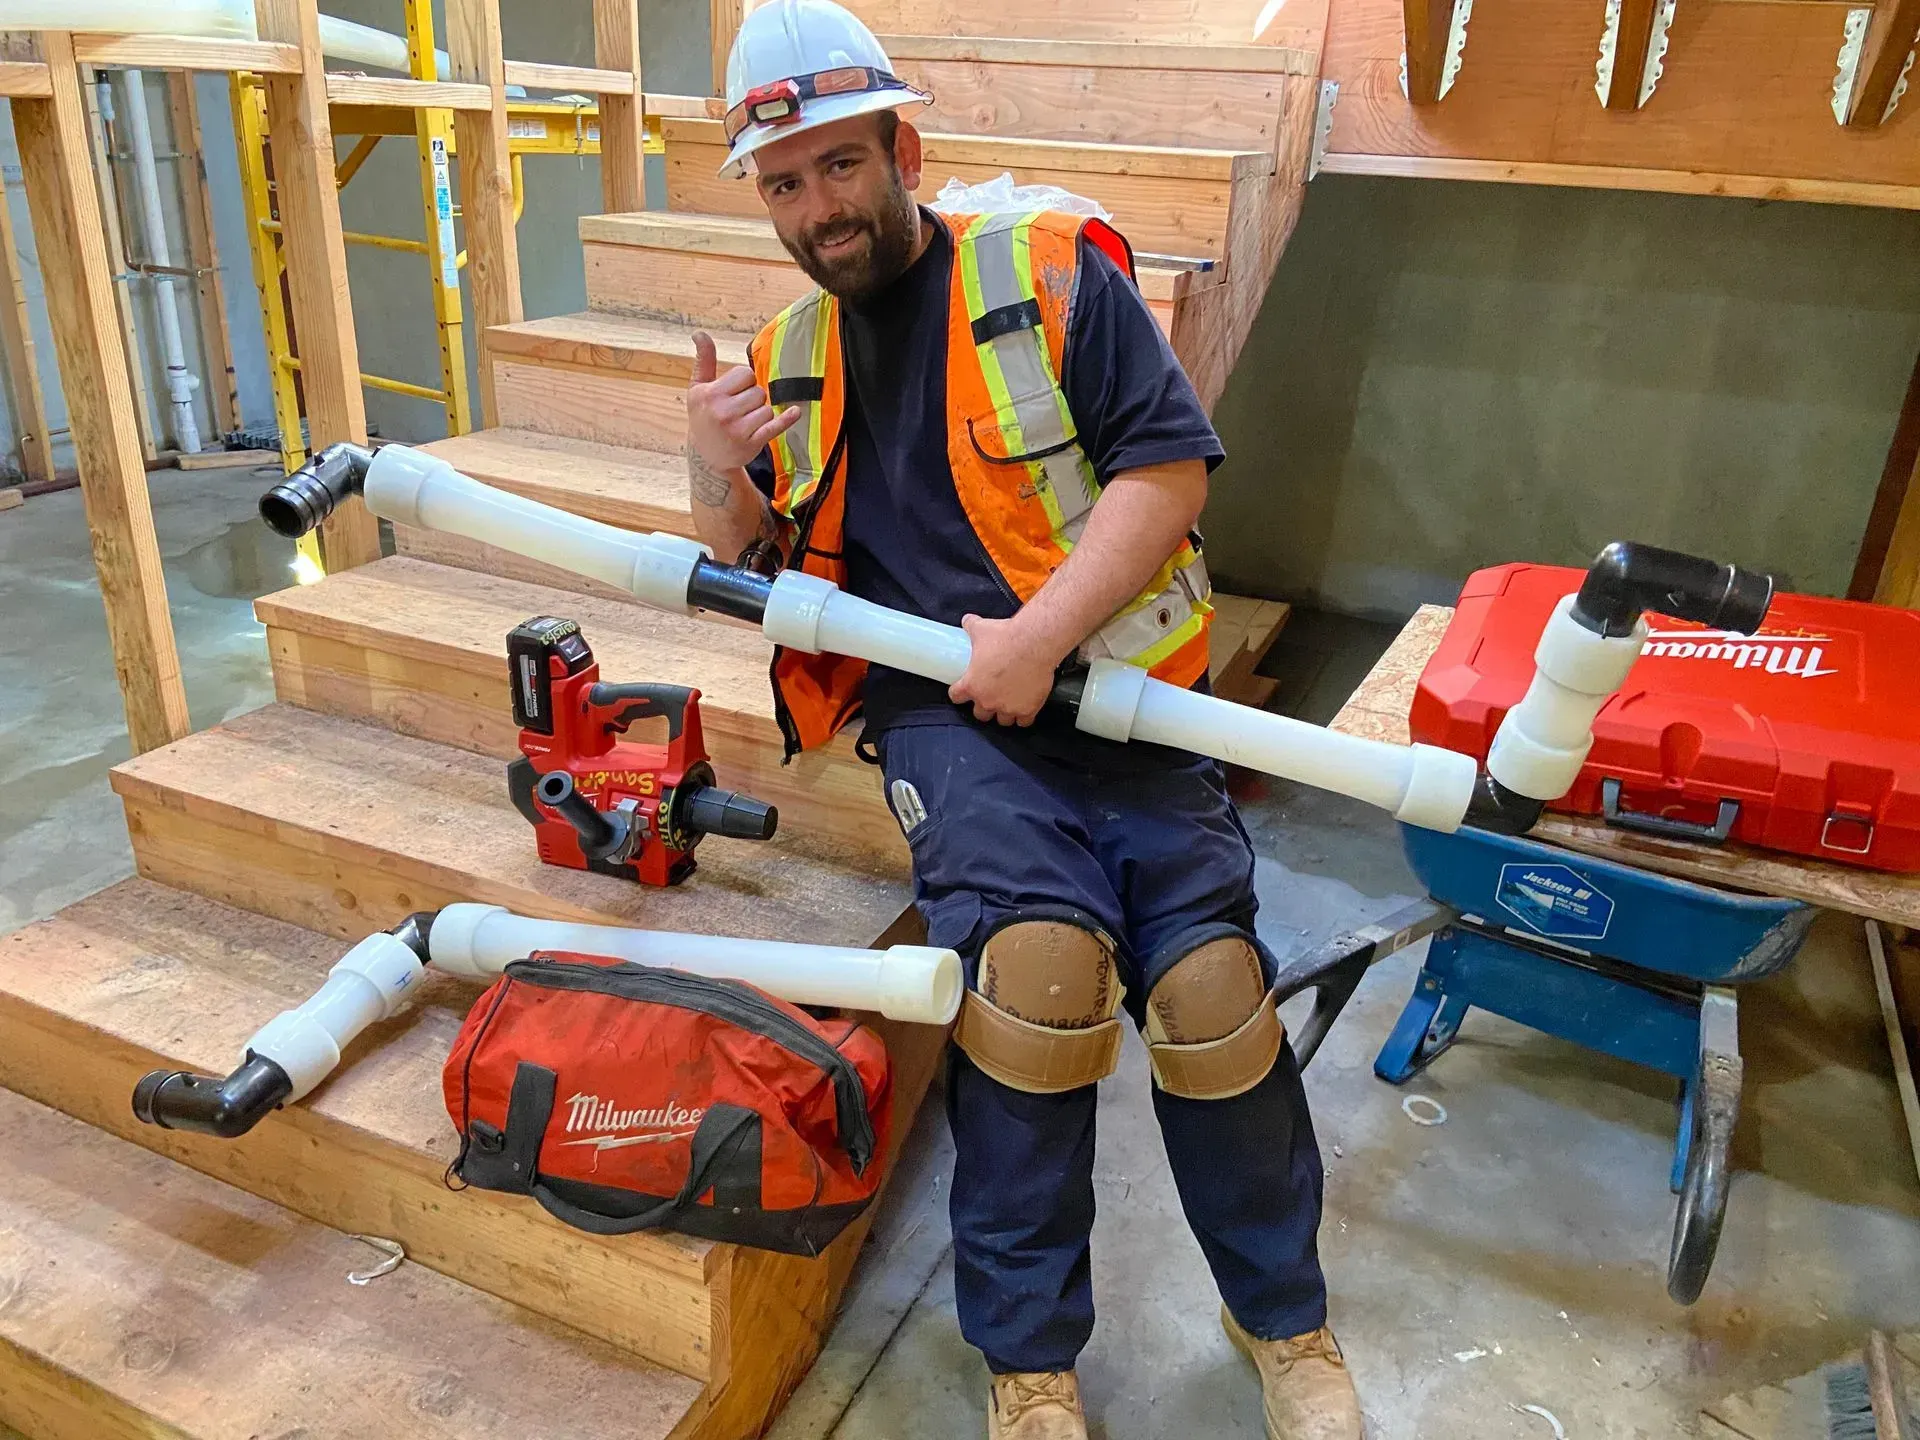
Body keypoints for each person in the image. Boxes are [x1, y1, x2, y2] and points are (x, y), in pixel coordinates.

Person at [683, 3, 1364, 1436]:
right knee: (1040, 981)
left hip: (1119, 695)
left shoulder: (1047, 271)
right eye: (784, 182)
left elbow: (1167, 473)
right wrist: (714, 476)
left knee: (1211, 998)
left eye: (840, 167)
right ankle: (1030, 1364)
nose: (819, 207)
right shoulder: (785, 349)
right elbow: (755, 580)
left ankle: (1286, 1327)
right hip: (950, 730)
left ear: (901, 149)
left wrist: (1040, 635)